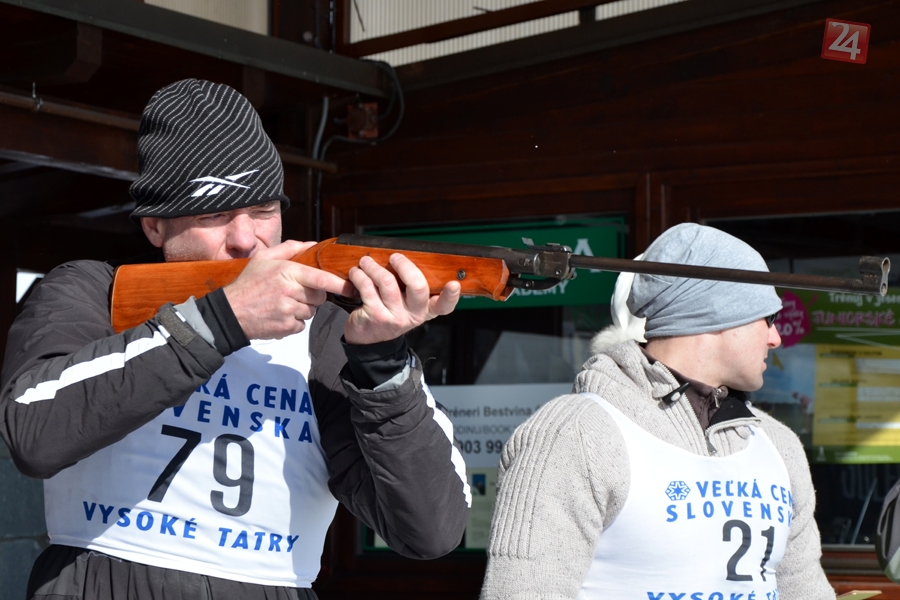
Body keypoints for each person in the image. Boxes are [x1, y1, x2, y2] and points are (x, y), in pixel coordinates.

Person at [0, 79, 471, 600]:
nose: (247, 239)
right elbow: (33, 431)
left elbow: (432, 529)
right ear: (154, 227)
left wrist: (382, 364)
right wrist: (223, 320)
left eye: (264, 210)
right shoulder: (92, 292)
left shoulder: (327, 334)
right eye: (214, 215)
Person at [480, 223, 835, 599]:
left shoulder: (778, 445)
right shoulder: (576, 434)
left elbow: (806, 591)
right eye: (768, 318)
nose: (776, 338)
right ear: (717, 314)